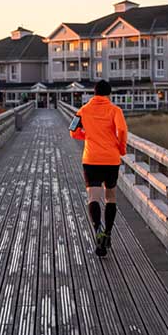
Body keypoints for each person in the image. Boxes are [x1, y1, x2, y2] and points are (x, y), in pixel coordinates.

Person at [69, 80, 128, 257]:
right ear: (109, 94)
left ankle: (97, 231)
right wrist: (121, 148)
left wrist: (86, 135)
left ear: (94, 93)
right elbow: (122, 130)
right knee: (110, 196)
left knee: (93, 196)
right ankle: (108, 233)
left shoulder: (83, 110)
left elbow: (72, 130)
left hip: (91, 159)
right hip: (111, 159)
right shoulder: (115, 110)